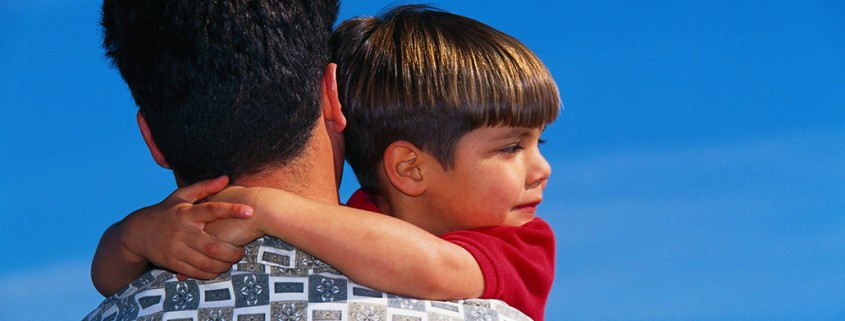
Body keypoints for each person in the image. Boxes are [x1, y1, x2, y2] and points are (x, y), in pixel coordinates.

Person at [92, 4, 560, 321]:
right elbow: (107, 276)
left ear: (153, 138)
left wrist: (267, 208)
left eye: (538, 143)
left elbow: (438, 270)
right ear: (409, 169)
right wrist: (135, 234)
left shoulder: (522, 244)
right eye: (510, 148)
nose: (543, 169)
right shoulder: (358, 221)